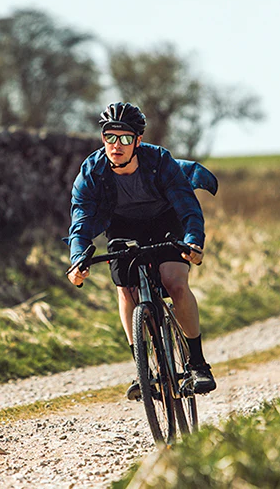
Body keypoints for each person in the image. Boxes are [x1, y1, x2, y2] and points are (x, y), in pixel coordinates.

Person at [66, 101, 218, 399]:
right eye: (110, 137)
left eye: (125, 138)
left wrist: (193, 243)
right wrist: (77, 261)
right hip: (123, 226)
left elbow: (187, 208)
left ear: (138, 140)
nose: (117, 145)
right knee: (125, 289)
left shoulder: (160, 161)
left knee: (174, 281)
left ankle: (198, 363)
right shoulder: (91, 173)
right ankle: (143, 371)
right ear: (103, 139)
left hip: (166, 220)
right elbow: (80, 221)